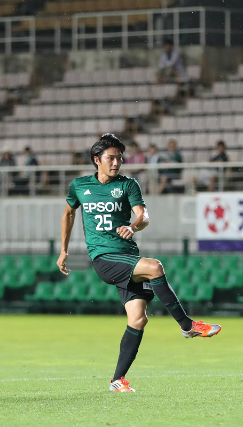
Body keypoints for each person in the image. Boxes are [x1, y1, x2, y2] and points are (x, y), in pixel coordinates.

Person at [56, 134, 221, 393]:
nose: (116, 162)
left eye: (120, 158)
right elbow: (68, 213)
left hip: (127, 256)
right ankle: (187, 326)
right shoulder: (79, 186)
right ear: (97, 160)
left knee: (138, 318)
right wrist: (63, 250)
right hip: (104, 257)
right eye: (111, 158)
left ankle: (117, 380)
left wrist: (133, 227)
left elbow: (143, 216)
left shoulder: (128, 185)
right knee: (155, 267)